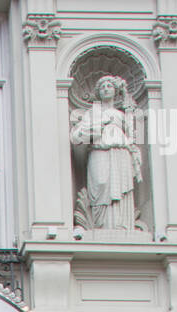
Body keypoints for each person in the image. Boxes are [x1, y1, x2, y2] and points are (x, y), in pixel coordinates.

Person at [69, 75, 142, 232]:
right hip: (99, 151)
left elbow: (132, 136)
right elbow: (76, 136)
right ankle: (99, 225)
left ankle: (121, 224)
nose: (106, 88)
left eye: (109, 86)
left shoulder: (121, 115)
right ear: (98, 92)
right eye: (102, 87)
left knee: (120, 189)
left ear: (115, 91)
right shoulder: (92, 113)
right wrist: (100, 125)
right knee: (101, 184)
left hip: (120, 153)